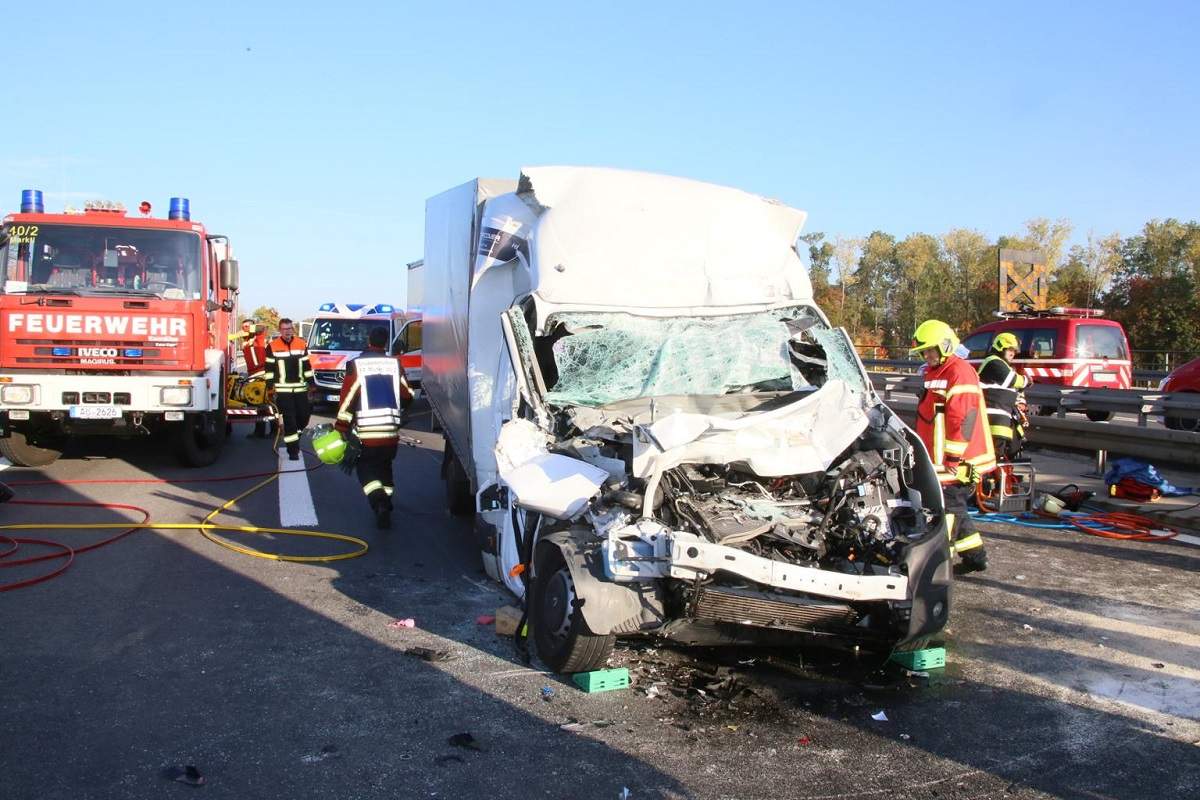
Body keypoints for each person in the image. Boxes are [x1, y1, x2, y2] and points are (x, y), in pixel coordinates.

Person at [909, 319, 997, 574]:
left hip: (958, 460)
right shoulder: (936, 372)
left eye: (930, 350)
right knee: (955, 508)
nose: (927, 356)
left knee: (946, 510)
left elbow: (962, 419)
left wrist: (953, 459)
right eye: (923, 352)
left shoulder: (959, 372)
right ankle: (975, 558)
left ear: (945, 345)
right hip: (943, 458)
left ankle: (937, 565)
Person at [334, 327, 412, 528]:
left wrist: (341, 427)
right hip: (390, 433)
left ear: (369, 340)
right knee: (385, 467)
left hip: (367, 434)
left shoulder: (357, 365)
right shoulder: (395, 364)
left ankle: (379, 502)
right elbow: (408, 395)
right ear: (386, 342)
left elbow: (348, 399)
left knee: (366, 469)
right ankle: (386, 499)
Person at [266, 318, 314, 460]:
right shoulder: (272, 346)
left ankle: (295, 437)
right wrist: (269, 387)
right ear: (280, 330)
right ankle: (293, 451)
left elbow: (307, 366)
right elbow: (269, 369)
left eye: (289, 329)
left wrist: (311, 383)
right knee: (290, 420)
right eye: (284, 329)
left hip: (300, 389)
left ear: (293, 329)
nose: (287, 332)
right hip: (283, 391)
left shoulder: (301, 344)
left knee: (303, 418)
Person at [977, 331, 1029, 461]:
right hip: (992, 417)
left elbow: (1016, 389)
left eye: (1014, 351)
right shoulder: (993, 362)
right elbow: (1012, 380)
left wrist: (1021, 401)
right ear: (1000, 348)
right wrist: (1026, 380)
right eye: (1010, 350)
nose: (1013, 354)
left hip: (1002, 417)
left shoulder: (1004, 366)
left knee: (1006, 453)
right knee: (995, 455)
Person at [241, 319, 275, 440]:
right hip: (252, 376)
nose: (244, 329)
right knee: (257, 404)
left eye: (247, 326)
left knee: (268, 403)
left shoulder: (258, 339)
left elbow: (263, 328)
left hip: (262, 373)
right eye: (243, 327)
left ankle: (274, 430)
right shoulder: (246, 342)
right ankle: (259, 431)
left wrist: (249, 329)